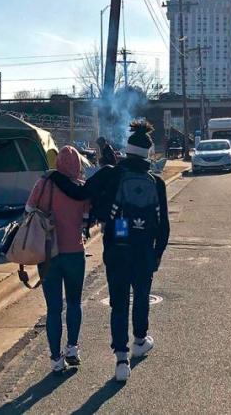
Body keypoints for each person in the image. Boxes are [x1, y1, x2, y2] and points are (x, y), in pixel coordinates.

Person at [87, 121, 170, 382]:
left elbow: (85, 196)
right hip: (144, 250)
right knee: (142, 296)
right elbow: (164, 227)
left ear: (127, 150)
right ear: (148, 154)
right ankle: (140, 341)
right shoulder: (156, 183)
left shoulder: (112, 174)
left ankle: (121, 360)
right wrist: (157, 255)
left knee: (119, 302)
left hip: (117, 249)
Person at [25, 145, 91, 373]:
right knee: (74, 303)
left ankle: (55, 359)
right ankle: (72, 348)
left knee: (53, 308)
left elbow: (29, 209)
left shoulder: (44, 183)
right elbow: (86, 220)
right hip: (74, 252)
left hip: (48, 254)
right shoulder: (81, 188)